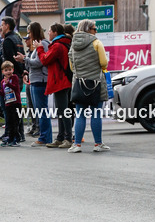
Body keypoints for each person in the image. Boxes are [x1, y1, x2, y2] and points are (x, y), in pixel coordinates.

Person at [68, 20, 110, 153]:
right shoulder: (96, 43)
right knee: (96, 114)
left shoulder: (73, 45)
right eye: (94, 28)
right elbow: (104, 63)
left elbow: (71, 66)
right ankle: (98, 144)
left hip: (79, 83)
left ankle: (76, 145)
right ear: (88, 29)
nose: (96, 31)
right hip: (96, 83)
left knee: (80, 114)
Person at [37, 24, 73, 148]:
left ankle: (68, 139)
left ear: (55, 32)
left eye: (50, 31)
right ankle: (61, 137)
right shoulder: (62, 43)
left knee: (63, 111)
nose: (49, 33)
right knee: (61, 110)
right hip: (63, 80)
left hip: (60, 81)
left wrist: (40, 49)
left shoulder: (57, 45)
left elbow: (45, 60)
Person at [25, 23, 52, 145]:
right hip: (35, 79)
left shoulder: (43, 44)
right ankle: (44, 136)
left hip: (40, 80)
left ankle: (45, 137)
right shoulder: (37, 45)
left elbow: (40, 61)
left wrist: (25, 59)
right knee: (39, 110)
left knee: (42, 110)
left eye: (29, 32)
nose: (28, 35)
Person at [0, 62, 22, 146]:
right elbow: (3, 93)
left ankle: (16, 138)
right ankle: (10, 138)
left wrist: (8, 83)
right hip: (8, 104)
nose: (8, 72)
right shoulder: (2, 82)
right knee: (9, 122)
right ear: (2, 72)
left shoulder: (14, 77)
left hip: (16, 103)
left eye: (10, 69)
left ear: (13, 70)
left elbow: (16, 87)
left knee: (15, 122)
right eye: (6, 70)